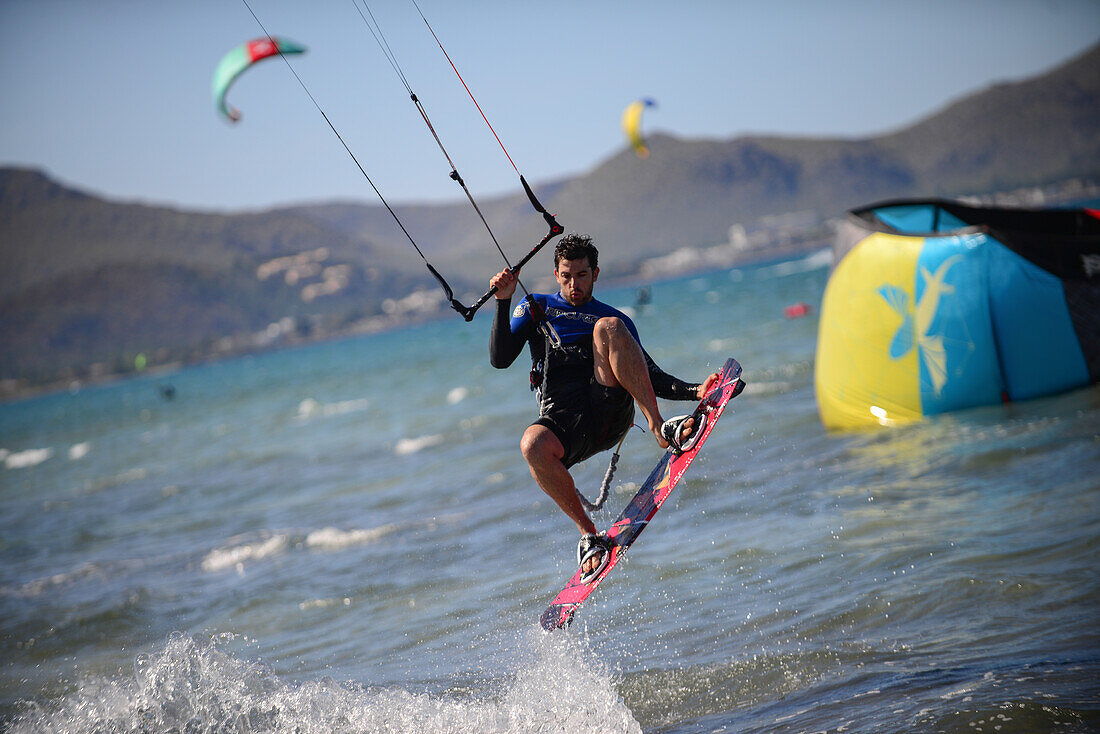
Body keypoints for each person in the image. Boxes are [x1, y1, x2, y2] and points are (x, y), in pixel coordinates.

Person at [490, 234, 719, 582]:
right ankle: (588, 535)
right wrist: (503, 302)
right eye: (566, 275)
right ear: (556, 274)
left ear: (595, 274)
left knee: (608, 328)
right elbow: (500, 359)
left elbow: (649, 374)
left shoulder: (613, 319)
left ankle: (660, 429)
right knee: (531, 445)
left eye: (581, 275)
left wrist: (694, 390)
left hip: (608, 416)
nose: (573, 284)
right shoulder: (536, 308)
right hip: (565, 427)